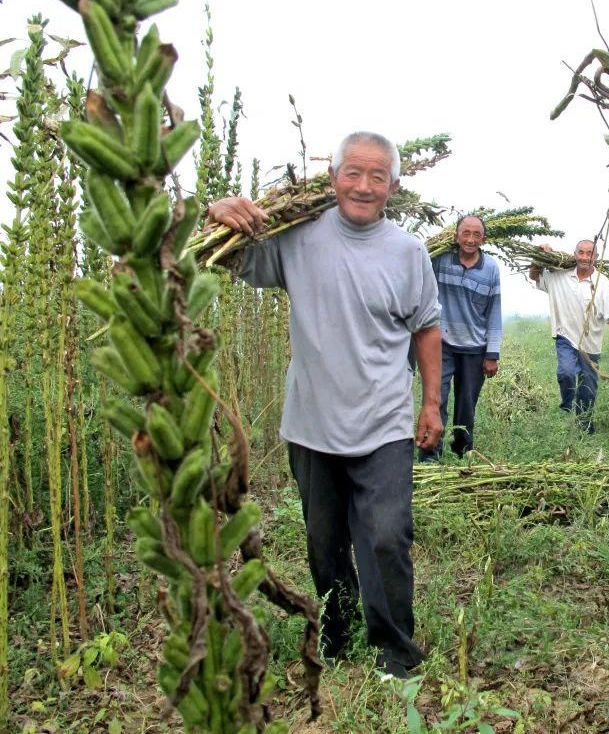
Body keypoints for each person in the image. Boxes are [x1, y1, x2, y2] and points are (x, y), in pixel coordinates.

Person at [207, 130, 442, 677]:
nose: (363, 186)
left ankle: (394, 649)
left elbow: (427, 328)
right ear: (333, 177)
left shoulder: (408, 252)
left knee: (386, 536)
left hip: (384, 420)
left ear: (393, 186)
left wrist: (431, 404)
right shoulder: (298, 237)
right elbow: (231, 256)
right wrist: (218, 213)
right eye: (352, 173)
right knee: (324, 541)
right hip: (312, 422)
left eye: (377, 176)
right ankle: (338, 632)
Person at [420, 214, 502, 462]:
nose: (471, 239)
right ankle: (430, 454)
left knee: (467, 406)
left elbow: (494, 312)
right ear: (455, 236)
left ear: (483, 239)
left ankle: (462, 452)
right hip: (441, 344)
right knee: (436, 399)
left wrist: (492, 354)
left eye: (477, 234)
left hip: (474, 348)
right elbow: (418, 274)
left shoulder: (490, 269)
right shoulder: (440, 260)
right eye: (466, 233)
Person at [529, 240, 609, 433]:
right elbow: (535, 276)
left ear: (596, 257)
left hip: (591, 343)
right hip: (565, 337)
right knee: (566, 372)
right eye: (581, 252)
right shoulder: (560, 276)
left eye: (589, 253)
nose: (585, 257)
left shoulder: (601, 282)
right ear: (575, 254)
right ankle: (567, 405)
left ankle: (585, 427)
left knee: (588, 389)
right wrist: (539, 257)